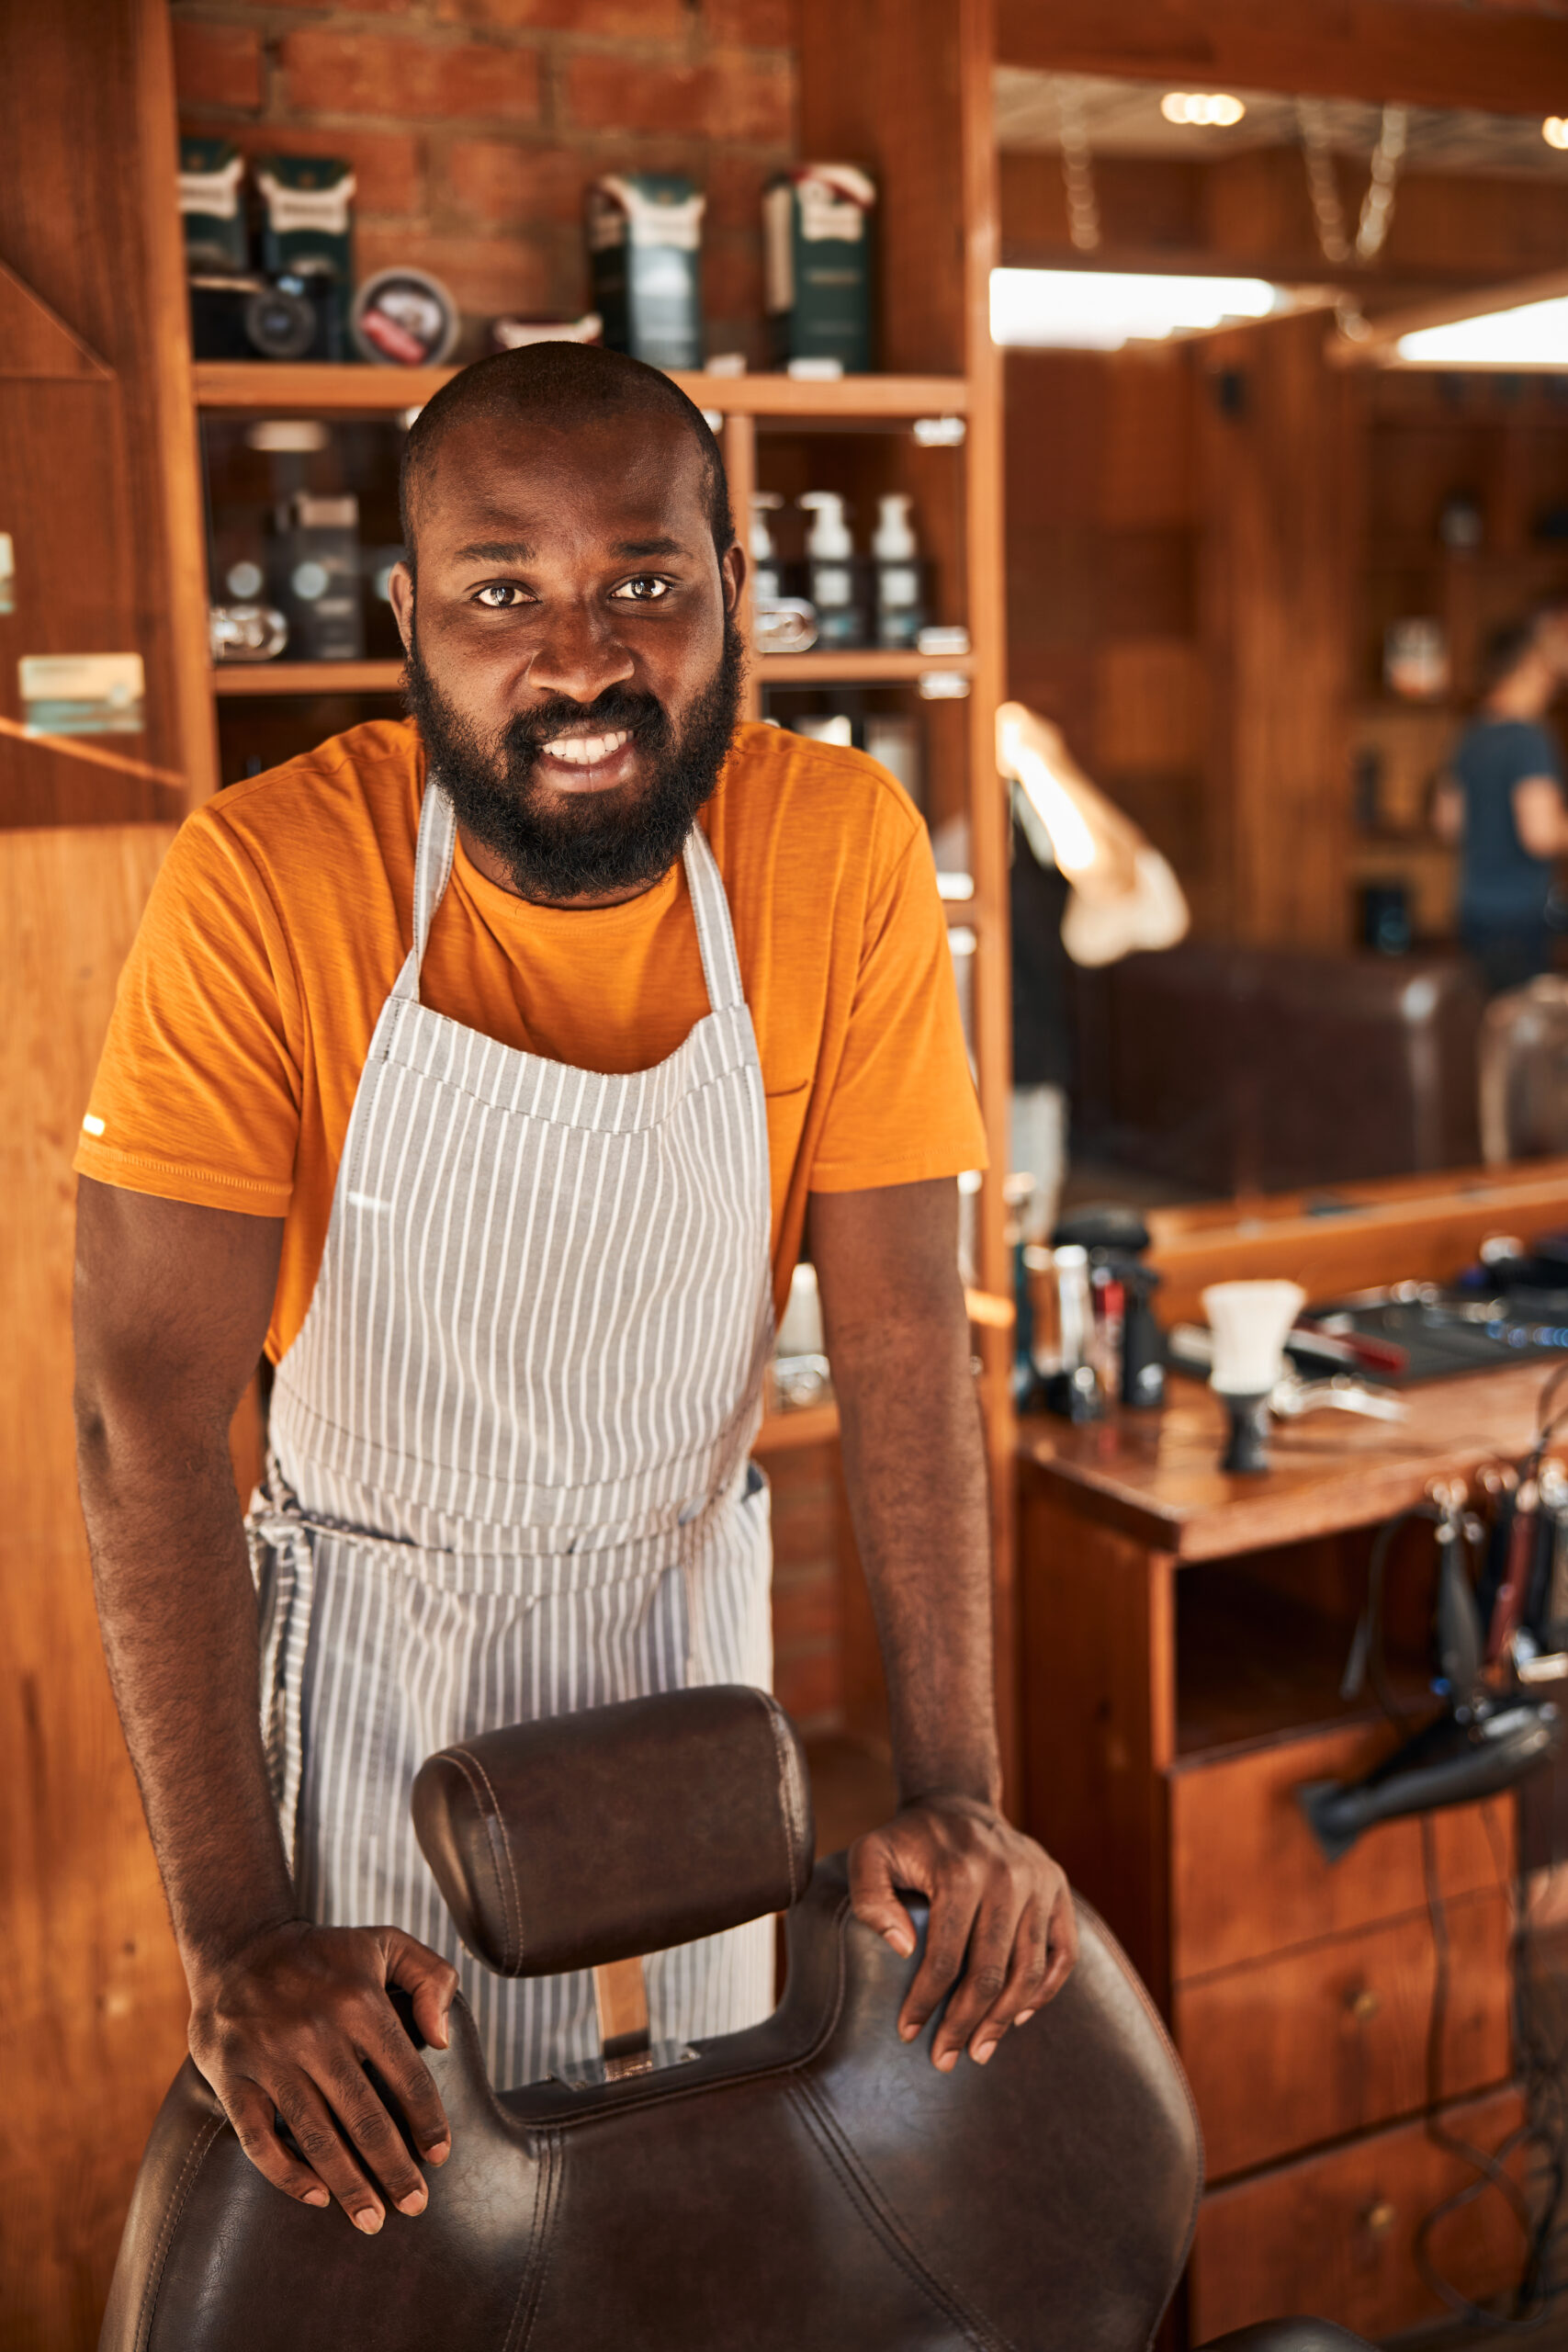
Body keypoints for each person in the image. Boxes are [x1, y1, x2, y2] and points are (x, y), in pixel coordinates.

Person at [73, 344, 1076, 2242]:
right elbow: (142, 1406)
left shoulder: (836, 848)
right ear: (408, 618)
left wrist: (962, 1788)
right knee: (412, 2223)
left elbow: (892, 1337)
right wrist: (236, 1932)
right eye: (499, 591)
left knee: (694, 2199)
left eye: (644, 578)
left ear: (733, 587)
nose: (584, 656)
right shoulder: (269, 875)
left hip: (688, 1641)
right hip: (373, 1661)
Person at [1434, 612, 1568, 994]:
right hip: (1519, 915)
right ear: (1530, 667)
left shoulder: (1471, 735)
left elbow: (1448, 824)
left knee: (1487, 1022)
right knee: (1521, 1032)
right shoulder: (1529, 739)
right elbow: (1540, 834)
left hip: (1473, 910)